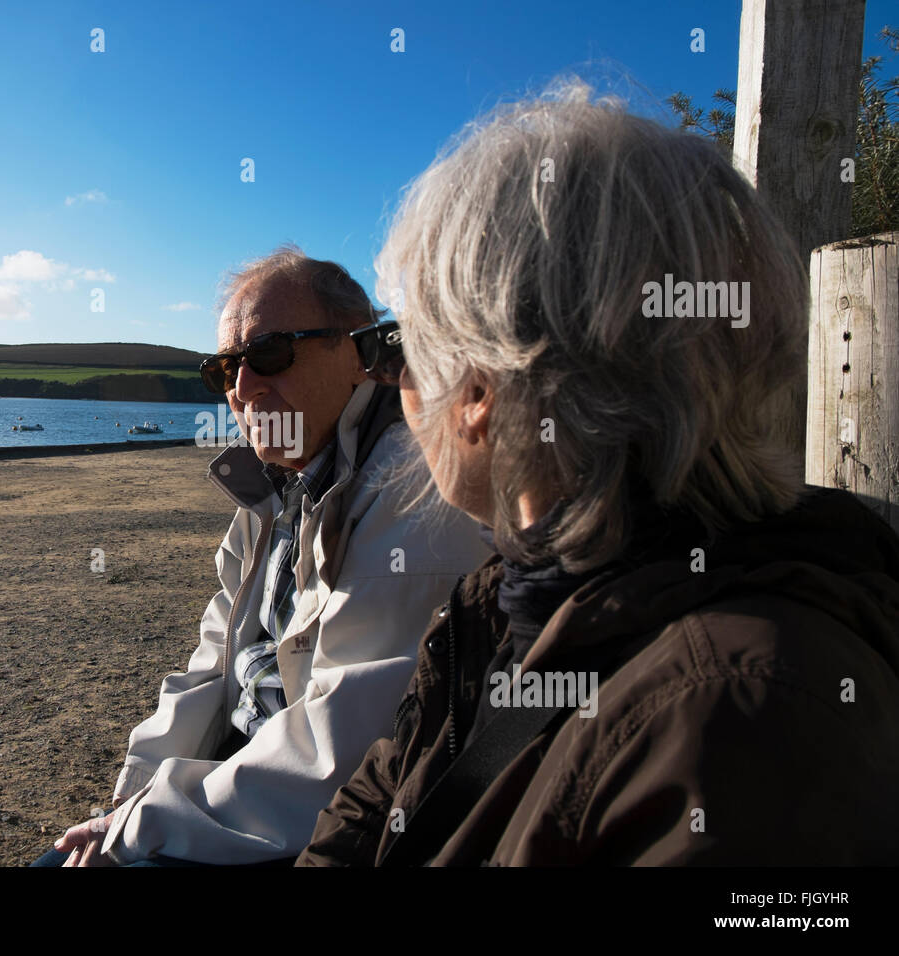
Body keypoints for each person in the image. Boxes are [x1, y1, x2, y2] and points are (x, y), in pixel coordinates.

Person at [298, 83, 899, 866]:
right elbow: (366, 814)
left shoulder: (741, 722)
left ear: (478, 389)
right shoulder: (506, 602)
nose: (389, 381)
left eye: (395, 348)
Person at [34, 246, 490, 866]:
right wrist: (124, 805)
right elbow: (209, 670)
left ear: (359, 355)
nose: (243, 388)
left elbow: (338, 753)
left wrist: (142, 826)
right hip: (236, 785)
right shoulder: (271, 493)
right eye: (223, 370)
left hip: (311, 828)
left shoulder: (413, 497)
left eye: (270, 353)